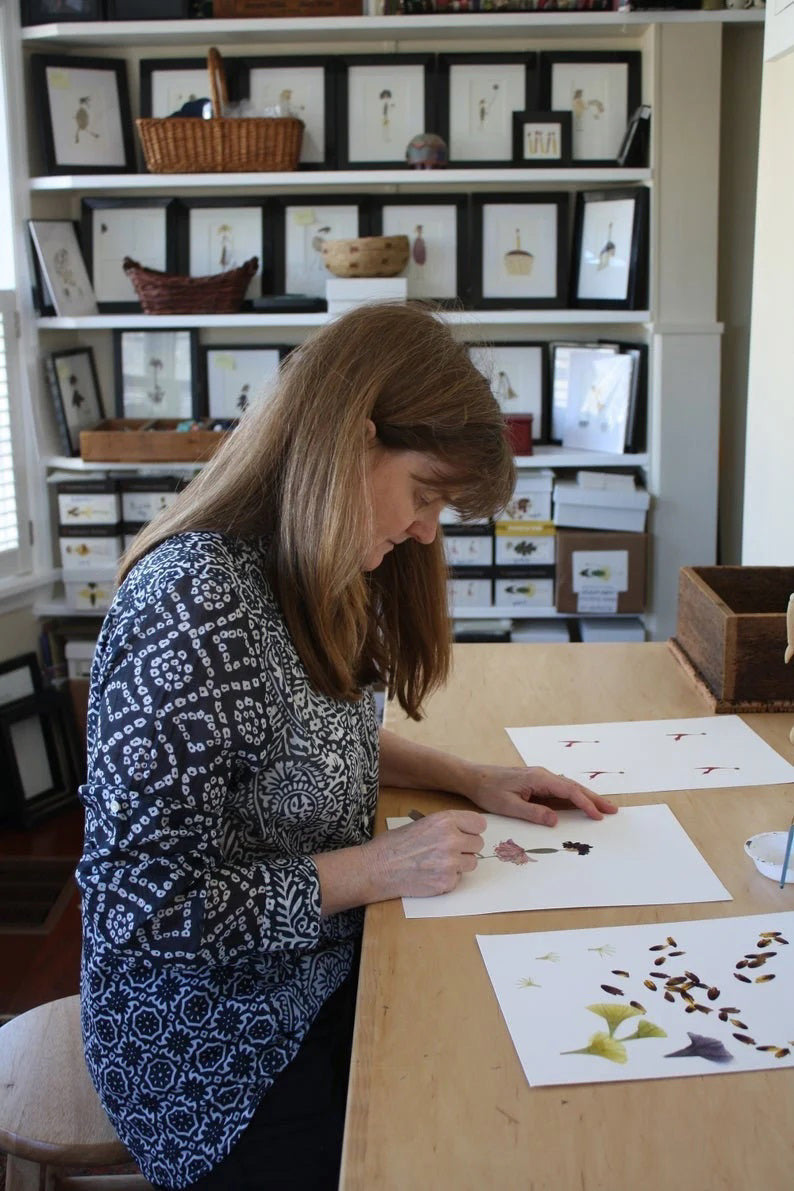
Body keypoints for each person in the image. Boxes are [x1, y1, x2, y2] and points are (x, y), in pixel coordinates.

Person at [77, 302, 616, 1191]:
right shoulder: (193, 605)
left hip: (316, 967)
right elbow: (140, 913)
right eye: (426, 494)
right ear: (354, 440)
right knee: (462, 1143)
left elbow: (320, 728)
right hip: (212, 1049)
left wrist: (471, 776)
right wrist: (374, 868)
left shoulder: (312, 559)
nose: (427, 530)